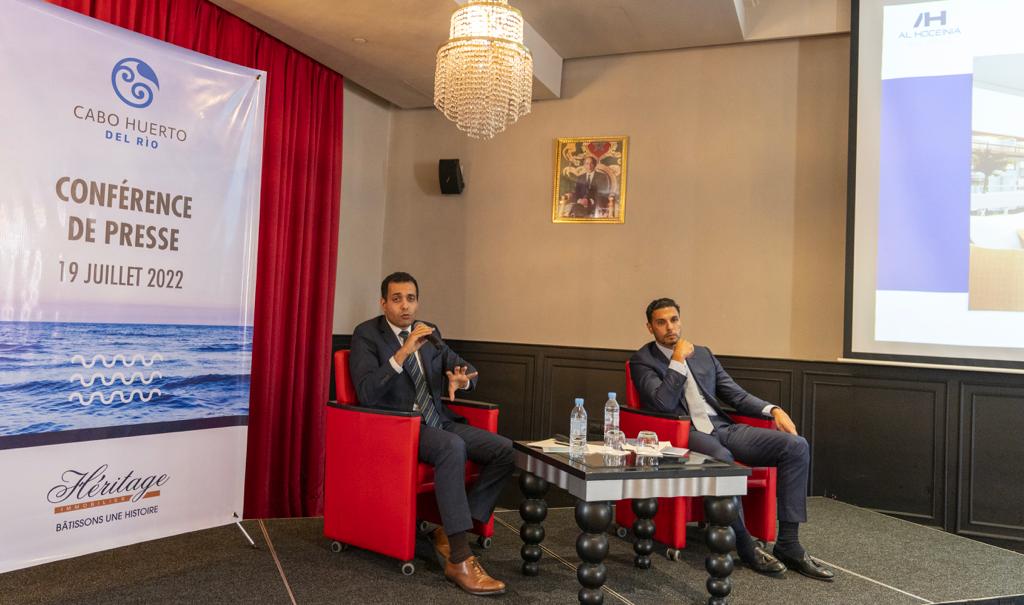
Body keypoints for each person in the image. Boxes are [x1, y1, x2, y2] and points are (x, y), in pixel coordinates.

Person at [629, 298, 835, 581]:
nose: (670, 327)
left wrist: (773, 410)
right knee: (722, 459)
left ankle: (789, 544)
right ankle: (746, 544)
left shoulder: (703, 354)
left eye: (674, 320)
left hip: (723, 428)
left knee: (796, 446)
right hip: (684, 433)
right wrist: (677, 360)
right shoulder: (643, 360)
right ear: (650, 327)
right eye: (661, 322)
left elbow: (735, 394)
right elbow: (662, 403)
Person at [349, 272, 514, 596]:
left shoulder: (431, 332)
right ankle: (460, 558)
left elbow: (468, 370)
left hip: (438, 420)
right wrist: (403, 352)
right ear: (383, 303)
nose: (405, 306)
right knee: (452, 447)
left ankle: (451, 527)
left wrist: (462, 380)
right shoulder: (367, 335)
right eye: (397, 299)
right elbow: (366, 392)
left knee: (506, 451)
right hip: (399, 427)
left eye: (411, 299)